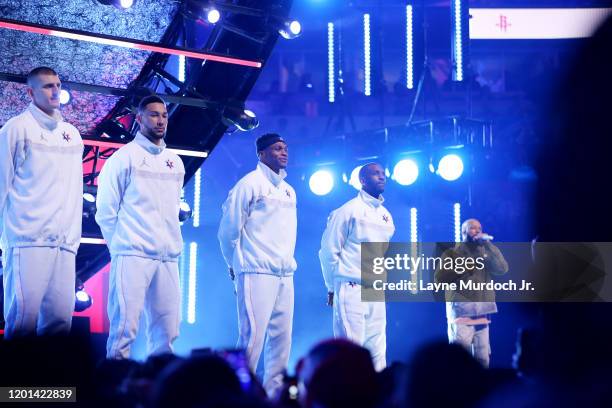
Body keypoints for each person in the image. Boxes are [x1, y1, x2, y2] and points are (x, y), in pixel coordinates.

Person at [96, 95, 184, 359]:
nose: (160, 120)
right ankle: (114, 391)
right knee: (125, 327)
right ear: (139, 119)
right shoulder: (124, 158)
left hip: (168, 256)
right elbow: (106, 211)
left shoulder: (175, 161)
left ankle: (160, 391)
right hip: (132, 254)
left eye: (164, 115)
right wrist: (121, 247)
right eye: (154, 115)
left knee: (167, 331)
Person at [0, 66, 83, 338]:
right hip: (27, 240)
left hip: (65, 243)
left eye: (58, 85)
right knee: (22, 322)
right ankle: (15, 382)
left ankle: (51, 382)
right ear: (30, 91)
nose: (56, 90)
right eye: (48, 86)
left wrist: (72, 236)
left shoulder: (72, 134)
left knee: (60, 325)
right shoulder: (16, 129)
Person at [217, 133, 297, 397]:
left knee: (281, 341)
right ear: (261, 154)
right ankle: (237, 396)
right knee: (252, 338)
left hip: (284, 274)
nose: (283, 152)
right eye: (277, 148)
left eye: (285, 148)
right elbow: (228, 231)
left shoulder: (289, 190)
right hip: (255, 271)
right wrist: (235, 265)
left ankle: (275, 395)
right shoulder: (249, 184)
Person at [318, 163, 395, 371]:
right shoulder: (347, 211)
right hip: (351, 287)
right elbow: (328, 251)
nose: (381, 176)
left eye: (382, 173)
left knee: (378, 350)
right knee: (351, 351)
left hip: (376, 290)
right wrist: (332, 286)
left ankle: (378, 400)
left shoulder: (386, 216)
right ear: (362, 180)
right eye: (375, 173)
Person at [435, 218, 508, 367]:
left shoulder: (485, 253)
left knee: (483, 360)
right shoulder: (453, 253)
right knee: (459, 362)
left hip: (482, 317)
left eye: (479, 228)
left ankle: (481, 389)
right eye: (473, 228)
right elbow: (439, 279)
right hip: (461, 317)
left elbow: (502, 269)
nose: (477, 230)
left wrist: (488, 245)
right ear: (463, 232)